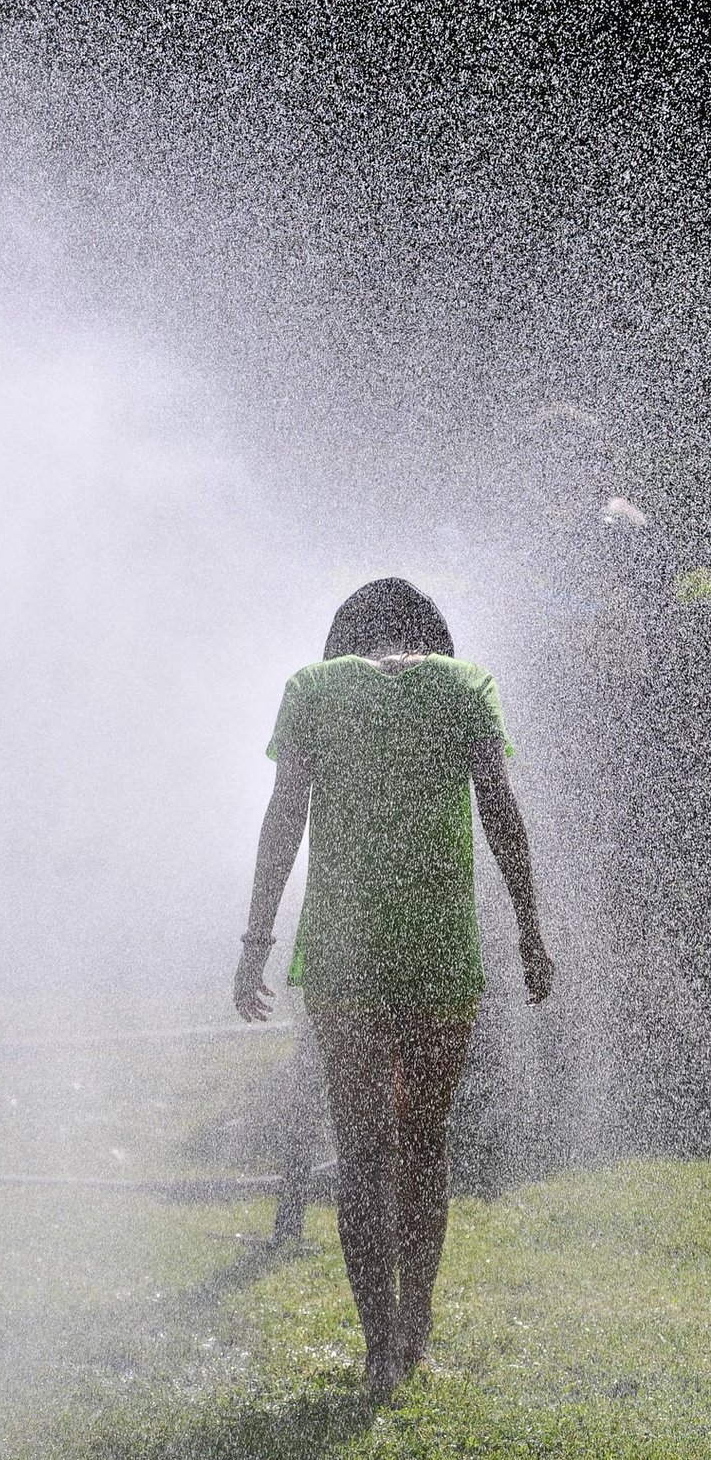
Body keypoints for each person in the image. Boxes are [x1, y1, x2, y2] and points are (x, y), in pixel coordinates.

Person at [234, 578, 553, 1400]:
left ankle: (377, 1351)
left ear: (349, 639)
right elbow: (501, 811)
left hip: (344, 957)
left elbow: (282, 819)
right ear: (428, 638)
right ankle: (414, 1332)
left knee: (364, 1150)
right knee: (424, 1142)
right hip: (439, 951)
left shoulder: (311, 689)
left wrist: (256, 940)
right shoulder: (465, 685)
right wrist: (529, 928)